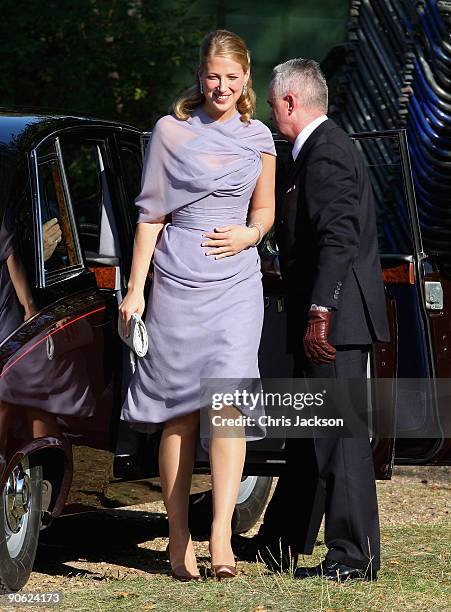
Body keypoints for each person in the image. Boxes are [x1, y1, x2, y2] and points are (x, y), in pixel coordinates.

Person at [119, 30, 276, 581]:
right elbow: (150, 215)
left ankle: (222, 538)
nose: (222, 87)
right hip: (176, 279)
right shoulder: (170, 132)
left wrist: (249, 235)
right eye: (214, 75)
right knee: (180, 409)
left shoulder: (260, 137)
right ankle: (178, 535)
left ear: (247, 78)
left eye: (233, 78)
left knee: (230, 403)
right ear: (200, 73)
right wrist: (135, 289)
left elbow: (266, 209)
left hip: (236, 281)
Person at [233, 58, 389, 581]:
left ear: (290, 102)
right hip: (324, 319)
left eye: (273, 101)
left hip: (334, 324)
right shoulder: (319, 150)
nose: (271, 110)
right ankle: (283, 541)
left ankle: (353, 558)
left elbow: (339, 238)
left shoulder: (326, 153)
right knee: (308, 435)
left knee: (340, 442)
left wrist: (322, 310)